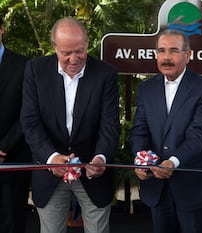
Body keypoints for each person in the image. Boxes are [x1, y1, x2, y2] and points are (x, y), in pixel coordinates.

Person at [20, 17, 120, 233]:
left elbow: (109, 124)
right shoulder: (35, 70)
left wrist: (101, 157)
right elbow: (30, 122)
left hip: (92, 172)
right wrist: (51, 158)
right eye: (67, 53)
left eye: (80, 51)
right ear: (54, 48)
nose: (74, 59)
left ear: (87, 44)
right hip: (49, 172)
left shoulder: (106, 74)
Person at [129, 29, 202, 233]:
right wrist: (141, 160)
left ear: (188, 55)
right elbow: (139, 131)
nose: (166, 57)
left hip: (193, 190)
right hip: (156, 189)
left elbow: (199, 135)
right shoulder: (147, 89)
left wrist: (173, 162)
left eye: (173, 51)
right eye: (161, 51)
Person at [0, 16, 32, 233]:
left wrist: (4, 147)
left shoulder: (24, 66)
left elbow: (29, 112)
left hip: (11, 161)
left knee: (11, 225)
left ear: (1, 29)